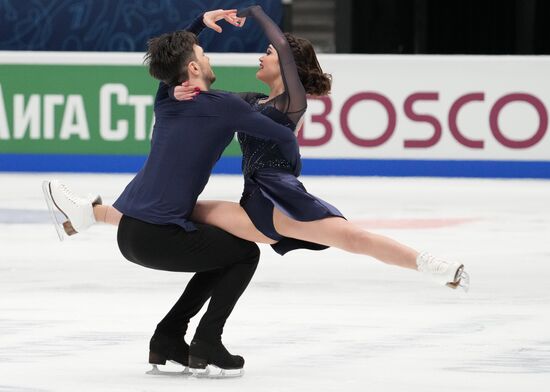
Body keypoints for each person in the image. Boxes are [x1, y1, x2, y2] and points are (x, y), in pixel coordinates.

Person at [43, 8, 302, 378]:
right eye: (202, 54)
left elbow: (171, 60)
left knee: (225, 252)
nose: (207, 55)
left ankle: (168, 338)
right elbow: (282, 134)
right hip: (158, 236)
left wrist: (199, 22)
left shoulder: (165, 99)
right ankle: (207, 341)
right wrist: (291, 170)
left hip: (129, 231)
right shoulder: (224, 106)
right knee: (244, 254)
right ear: (193, 69)